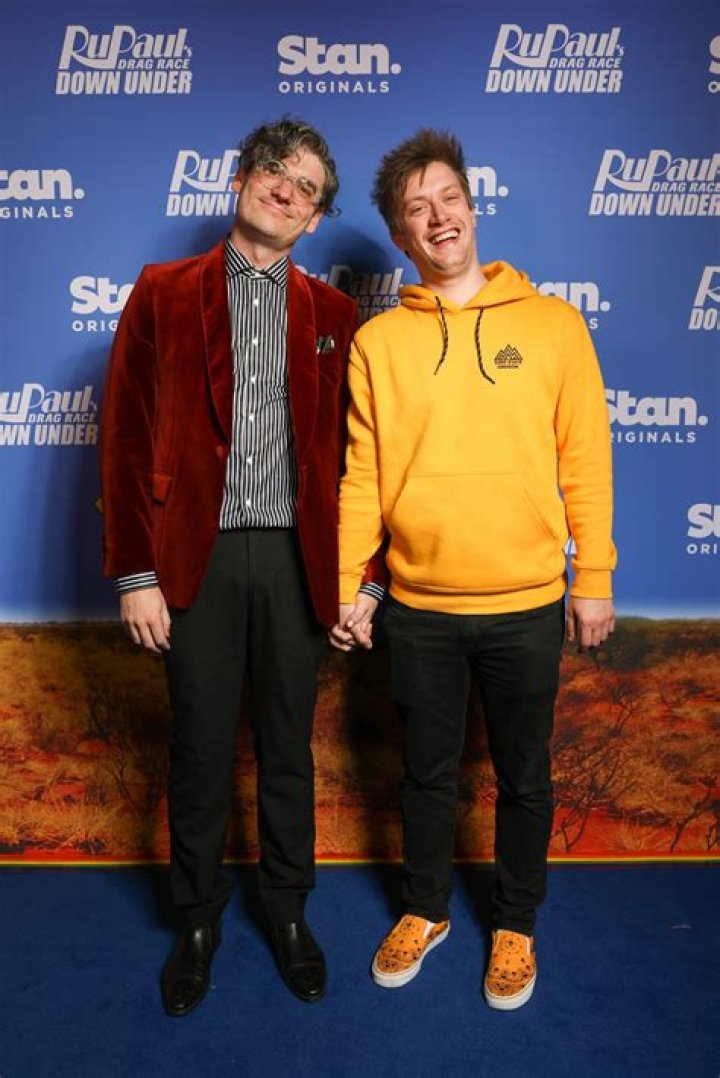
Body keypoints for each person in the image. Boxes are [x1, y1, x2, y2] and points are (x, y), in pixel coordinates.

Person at [100, 118, 385, 1017]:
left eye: (306, 187)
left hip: (298, 560)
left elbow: (357, 462)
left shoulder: (334, 316)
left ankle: (289, 912)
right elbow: (125, 435)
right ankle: (196, 921)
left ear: (314, 217)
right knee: (199, 745)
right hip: (199, 555)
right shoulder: (162, 291)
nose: (285, 189)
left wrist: (360, 577)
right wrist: (135, 573)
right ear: (241, 178)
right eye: (273, 170)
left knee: (289, 747)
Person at [330, 129, 616, 1010]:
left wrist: (594, 577)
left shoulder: (555, 325)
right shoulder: (379, 343)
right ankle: (425, 909)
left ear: (472, 206)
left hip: (528, 602)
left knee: (525, 775)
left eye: (448, 198)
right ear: (400, 235)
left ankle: (516, 924)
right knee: (425, 774)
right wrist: (346, 586)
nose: (438, 217)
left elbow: (586, 460)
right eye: (417, 209)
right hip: (419, 607)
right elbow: (363, 476)